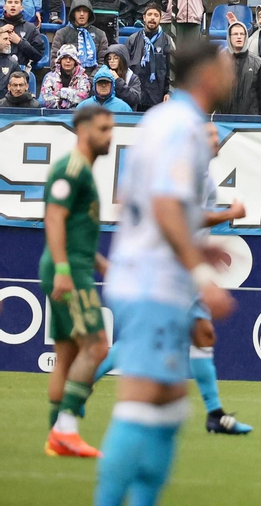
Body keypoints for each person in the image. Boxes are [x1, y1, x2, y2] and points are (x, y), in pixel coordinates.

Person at [93, 41, 242, 505]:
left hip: (156, 278)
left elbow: (162, 205)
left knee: (166, 406)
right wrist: (200, 274)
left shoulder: (172, 122)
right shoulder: (181, 126)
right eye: (226, 67)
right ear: (207, 77)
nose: (233, 75)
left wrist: (200, 245)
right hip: (152, 283)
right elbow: (162, 204)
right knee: (141, 402)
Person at [39, 104, 114, 457]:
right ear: (84, 131)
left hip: (72, 265)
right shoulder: (72, 169)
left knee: (66, 355)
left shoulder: (82, 169)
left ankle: (58, 436)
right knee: (97, 346)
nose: (109, 136)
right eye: (103, 129)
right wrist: (66, 272)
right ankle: (66, 429)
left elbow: (74, 230)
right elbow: (53, 218)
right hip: (68, 271)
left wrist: (103, 264)